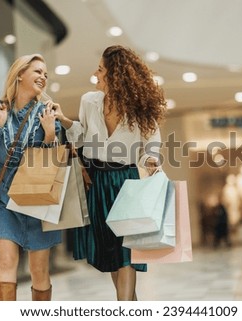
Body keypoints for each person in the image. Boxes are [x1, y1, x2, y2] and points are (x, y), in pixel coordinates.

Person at [54, 45, 167, 300]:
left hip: (127, 183)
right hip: (98, 183)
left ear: (115, 75)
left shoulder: (139, 108)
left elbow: (152, 142)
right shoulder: (89, 101)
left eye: (101, 69)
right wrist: (64, 120)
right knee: (113, 256)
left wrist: (150, 159)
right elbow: (82, 137)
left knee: (126, 253)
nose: (96, 73)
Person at [0, 54, 62, 301]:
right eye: (37, 71)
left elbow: (57, 161)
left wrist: (49, 136)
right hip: (4, 199)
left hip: (40, 198)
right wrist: (0, 124)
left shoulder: (48, 113)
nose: (43, 77)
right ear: (20, 74)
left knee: (39, 269)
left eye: (45, 73)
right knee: (6, 261)